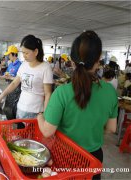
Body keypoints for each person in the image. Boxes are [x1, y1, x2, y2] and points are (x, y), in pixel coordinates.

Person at [37, 31, 117, 180]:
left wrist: (39, 117)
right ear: (98, 61)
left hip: (66, 156)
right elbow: (112, 128)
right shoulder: (110, 92)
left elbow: (47, 131)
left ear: (72, 62)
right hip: (94, 158)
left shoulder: (62, 92)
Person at [0, 35, 53, 119]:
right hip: (20, 109)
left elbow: (48, 93)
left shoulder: (45, 67)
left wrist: (46, 116)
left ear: (36, 51)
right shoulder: (24, 65)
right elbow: (14, 83)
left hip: (36, 112)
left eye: (26, 53)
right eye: (23, 53)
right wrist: (1, 96)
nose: (24, 56)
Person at [0, 45, 22, 119]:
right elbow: (6, 75)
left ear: (12, 54)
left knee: (14, 109)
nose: (8, 56)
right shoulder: (10, 64)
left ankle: (14, 123)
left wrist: (11, 78)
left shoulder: (20, 65)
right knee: (7, 108)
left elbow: (20, 79)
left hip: (17, 90)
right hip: (10, 88)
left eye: (9, 55)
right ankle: (10, 122)